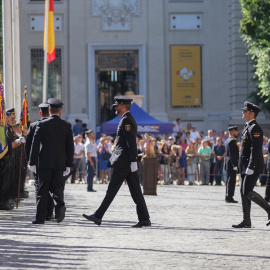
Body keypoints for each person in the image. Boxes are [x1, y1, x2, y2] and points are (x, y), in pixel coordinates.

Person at [83, 97, 151, 227]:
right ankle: (144, 218)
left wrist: (133, 160)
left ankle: (98, 215)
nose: (115, 108)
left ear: (123, 106)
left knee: (112, 189)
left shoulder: (126, 120)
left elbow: (130, 141)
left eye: (117, 106)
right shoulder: (125, 119)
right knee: (135, 191)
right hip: (125, 161)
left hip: (124, 161)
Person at [29, 98, 74, 224]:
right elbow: (70, 147)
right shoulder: (67, 125)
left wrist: (32, 162)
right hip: (60, 163)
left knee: (42, 190)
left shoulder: (41, 124)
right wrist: (68, 165)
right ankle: (59, 205)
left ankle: (40, 218)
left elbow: (35, 144)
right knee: (56, 186)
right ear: (60, 111)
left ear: (49, 110)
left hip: (44, 162)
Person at [232, 101, 270, 228]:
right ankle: (246, 220)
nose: (242, 112)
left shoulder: (255, 128)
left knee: (247, 191)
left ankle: (269, 210)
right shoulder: (247, 126)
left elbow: (256, 149)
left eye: (245, 111)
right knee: (243, 192)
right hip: (245, 165)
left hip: (251, 166)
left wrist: (251, 166)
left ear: (251, 113)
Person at [225, 126, 239, 203]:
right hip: (231, 164)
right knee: (231, 181)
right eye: (236, 131)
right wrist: (235, 165)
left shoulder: (228, 140)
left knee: (229, 180)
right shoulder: (232, 141)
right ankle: (229, 197)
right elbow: (232, 154)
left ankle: (228, 196)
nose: (237, 133)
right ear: (233, 131)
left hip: (229, 163)